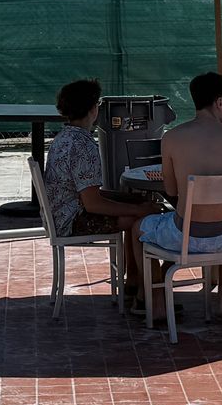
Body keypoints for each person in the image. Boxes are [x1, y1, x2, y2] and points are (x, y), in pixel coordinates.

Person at [141, 71, 222, 322]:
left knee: (141, 227)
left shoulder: (172, 138)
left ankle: (157, 302)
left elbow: (170, 190)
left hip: (182, 237)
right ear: (219, 102)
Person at [42, 79, 158, 297]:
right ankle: (148, 293)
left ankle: (134, 281)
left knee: (136, 205)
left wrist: (132, 203)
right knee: (142, 221)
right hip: (72, 221)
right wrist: (138, 210)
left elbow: (87, 193)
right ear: (94, 109)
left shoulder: (62, 138)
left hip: (61, 215)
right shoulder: (83, 145)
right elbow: (93, 203)